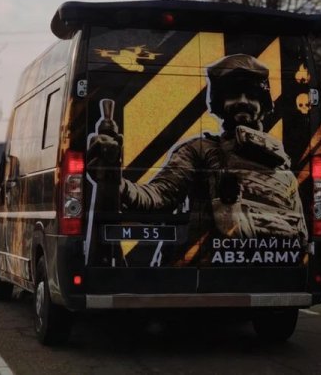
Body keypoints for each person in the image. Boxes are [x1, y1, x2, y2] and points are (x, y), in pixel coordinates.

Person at [88, 54, 308, 252]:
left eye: (251, 95)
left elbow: (301, 232)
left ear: (263, 103)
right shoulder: (201, 150)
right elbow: (157, 197)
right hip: (204, 269)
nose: (242, 101)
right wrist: (115, 181)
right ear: (220, 102)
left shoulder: (281, 164)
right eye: (233, 94)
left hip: (270, 269)